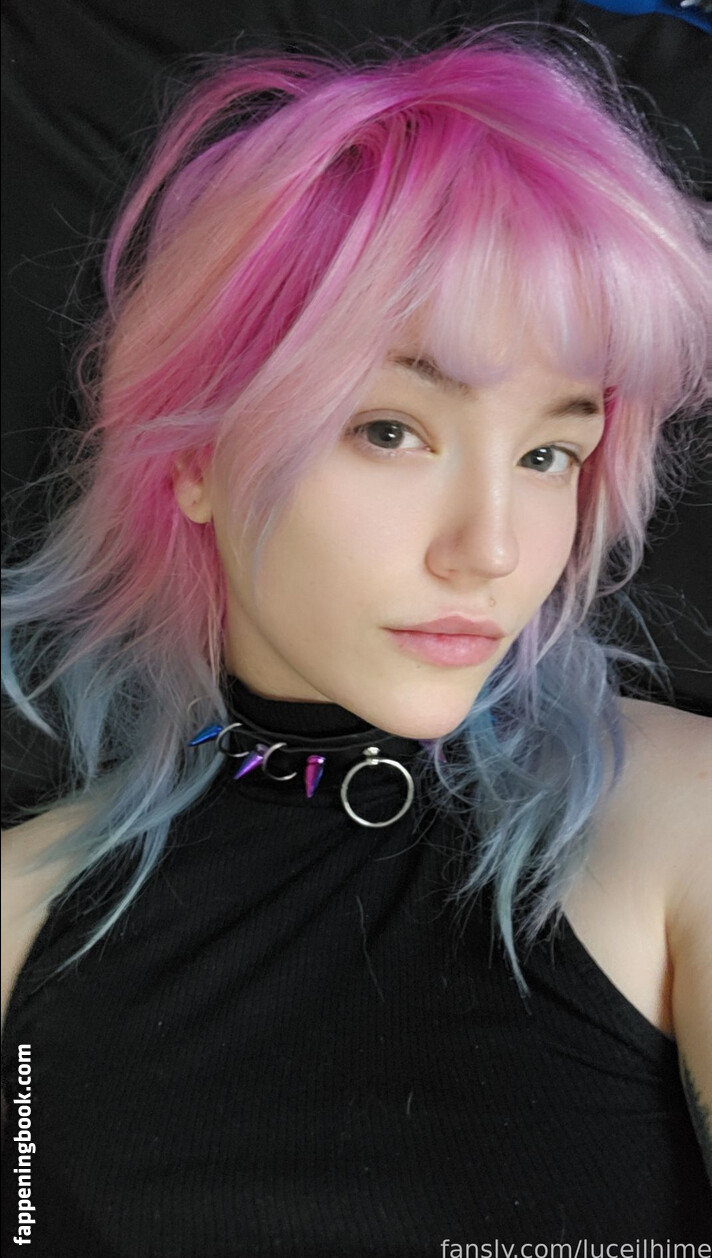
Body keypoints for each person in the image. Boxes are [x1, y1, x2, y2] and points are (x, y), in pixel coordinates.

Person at [1, 25, 710, 1255]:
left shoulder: (681, 818)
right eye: (390, 430)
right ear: (194, 455)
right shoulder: (20, 920)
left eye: (550, 452)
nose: (491, 547)